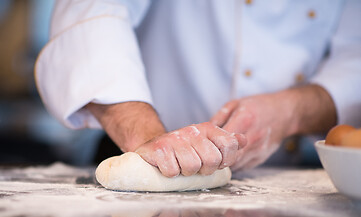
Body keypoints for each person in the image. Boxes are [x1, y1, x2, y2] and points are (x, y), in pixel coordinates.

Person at [35, 0, 361, 177]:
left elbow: (356, 56)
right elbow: (94, 10)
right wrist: (147, 135)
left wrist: (292, 110)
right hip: (134, 150)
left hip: (286, 177)